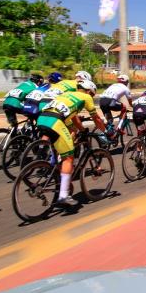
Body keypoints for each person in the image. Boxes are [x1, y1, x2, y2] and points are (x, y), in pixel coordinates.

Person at [37, 80, 107, 208]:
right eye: (92, 94)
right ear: (88, 91)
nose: (91, 97)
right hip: (55, 121)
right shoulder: (86, 97)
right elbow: (96, 119)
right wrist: (107, 131)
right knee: (68, 158)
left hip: (42, 118)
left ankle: (59, 176)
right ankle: (64, 195)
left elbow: (74, 119)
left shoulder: (67, 95)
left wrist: (82, 130)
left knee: (61, 151)